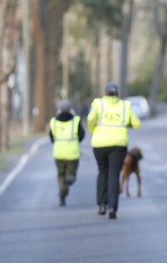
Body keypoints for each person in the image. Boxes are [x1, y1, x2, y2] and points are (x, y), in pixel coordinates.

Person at [86, 82, 141, 219]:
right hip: (118, 144)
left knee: (102, 172)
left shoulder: (98, 104)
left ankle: (101, 204)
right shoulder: (124, 105)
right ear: (117, 93)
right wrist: (126, 124)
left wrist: (94, 130)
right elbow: (137, 123)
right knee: (114, 175)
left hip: (99, 143)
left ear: (105, 92)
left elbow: (90, 119)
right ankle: (112, 207)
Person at [49, 99, 85, 206]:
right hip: (72, 154)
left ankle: (62, 192)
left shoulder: (53, 122)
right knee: (71, 173)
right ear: (70, 109)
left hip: (58, 153)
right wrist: (75, 142)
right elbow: (81, 135)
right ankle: (69, 179)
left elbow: (51, 137)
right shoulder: (76, 121)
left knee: (60, 174)